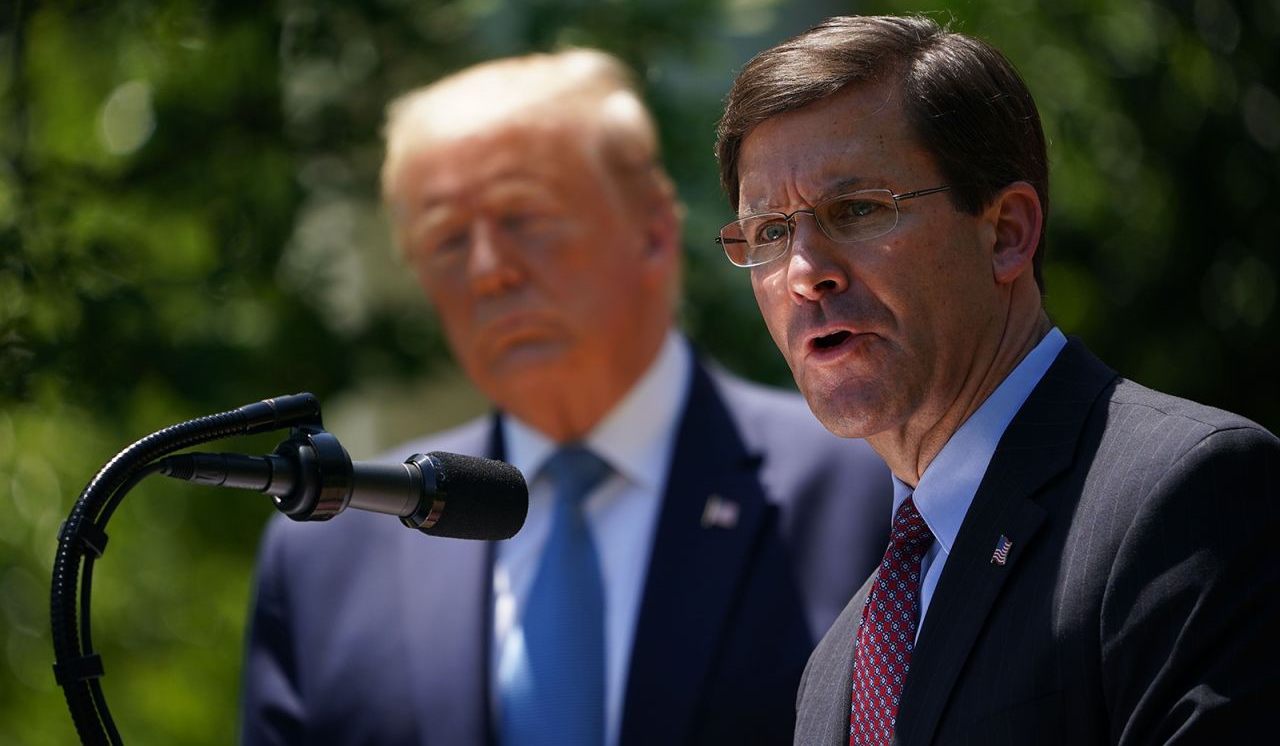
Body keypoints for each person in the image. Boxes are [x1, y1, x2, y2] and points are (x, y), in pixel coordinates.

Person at [239, 48, 891, 746]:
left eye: (524, 218)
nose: (489, 270)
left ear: (653, 230)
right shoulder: (330, 555)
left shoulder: (867, 490)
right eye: (448, 240)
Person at [713, 14, 1279, 745]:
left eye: (855, 210)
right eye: (768, 233)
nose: (804, 272)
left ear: (1007, 232)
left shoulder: (1188, 495)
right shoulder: (838, 666)